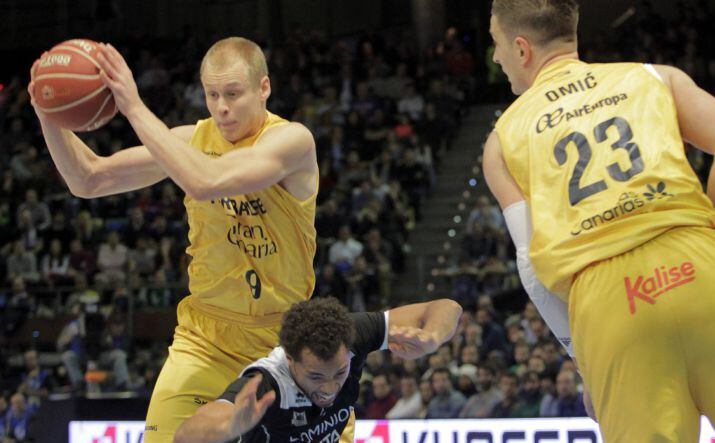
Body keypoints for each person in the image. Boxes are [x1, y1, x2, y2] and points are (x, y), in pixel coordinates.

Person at [483, 1, 715, 442]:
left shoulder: (502, 141)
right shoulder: (653, 76)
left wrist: (584, 360)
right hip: (701, 260)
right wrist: (705, 232)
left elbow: (531, 268)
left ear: (521, 49)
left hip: (610, 300)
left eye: (496, 45)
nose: (497, 58)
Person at [28, 37, 320, 442]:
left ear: (263, 88)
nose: (221, 107)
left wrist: (132, 105)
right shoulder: (190, 140)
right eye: (212, 94)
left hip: (284, 339)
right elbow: (89, 178)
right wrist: (48, 111)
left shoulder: (293, 141)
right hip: (205, 338)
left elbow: (207, 181)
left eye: (233, 94)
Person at [173, 296, 462, 442]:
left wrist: (432, 339)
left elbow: (447, 307)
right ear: (290, 358)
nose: (329, 389)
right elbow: (185, 435)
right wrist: (230, 426)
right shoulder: (268, 381)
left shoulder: (353, 334)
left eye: (339, 372)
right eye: (315, 376)